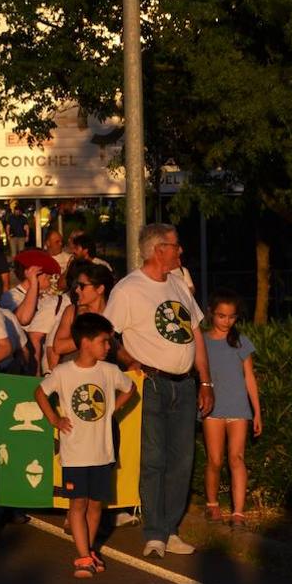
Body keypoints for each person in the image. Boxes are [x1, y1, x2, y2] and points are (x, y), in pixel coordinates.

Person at [103, 223, 213, 558]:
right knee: (153, 458)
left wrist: (205, 381)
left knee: (182, 460)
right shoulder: (128, 289)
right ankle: (154, 532)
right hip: (151, 384)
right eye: (176, 245)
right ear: (158, 249)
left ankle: (170, 529)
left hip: (185, 383)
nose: (181, 251)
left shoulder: (178, 283)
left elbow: (195, 334)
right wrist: (130, 361)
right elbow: (108, 335)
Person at [33, 313, 137, 578]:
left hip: (102, 452)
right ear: (86, 342)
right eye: (104, 341)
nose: (108, 347)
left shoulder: (109, 371)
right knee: (77, 505)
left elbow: (130, 388)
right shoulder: (63, 372)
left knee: (95, 506)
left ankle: (89, 551)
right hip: (75, 454)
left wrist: (112, 408)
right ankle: (82, 557)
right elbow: (40, 393)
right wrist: (54, 419)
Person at [201, 290, 260, 530]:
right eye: (221, 316)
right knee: (215, 459)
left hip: (239, 408)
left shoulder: (240, 341)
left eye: (231, 317)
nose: (226, 321)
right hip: (213, 409)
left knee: (237, 458)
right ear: (211, 314)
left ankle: (238, 512)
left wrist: (257, 411)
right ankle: (212, 504)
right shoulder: (202, 341)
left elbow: (249, 378)